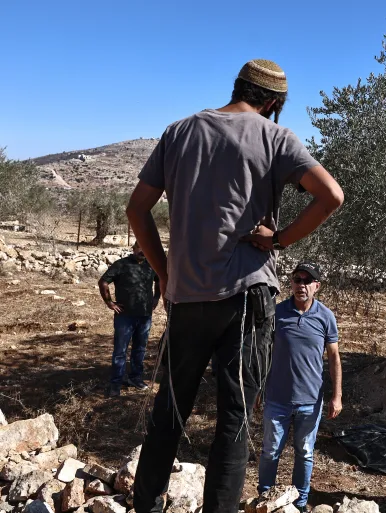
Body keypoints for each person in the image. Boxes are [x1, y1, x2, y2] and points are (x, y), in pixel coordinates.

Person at [125, 59, 344, 513]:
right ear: (271, 103)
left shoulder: (179, 132)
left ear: (238, 87)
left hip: (186, 299)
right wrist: (279, 240)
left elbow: (136, 210)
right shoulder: (275, 137)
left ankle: (144, 505)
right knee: (234, 419)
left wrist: (166, 275)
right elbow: (331, 196)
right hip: (247, 299)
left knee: (169, 410)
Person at [258, 262, 342, 512]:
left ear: (317, 286)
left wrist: (336, 396)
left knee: (304, 453)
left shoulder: (325, 317)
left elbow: (334, 358)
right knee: (270, 451)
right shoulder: (277, 312)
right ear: (291, 283)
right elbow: (263, 351)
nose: (301, 285)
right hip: (277, 398)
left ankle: (301, 503)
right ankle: (264, 498)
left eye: (307, 280)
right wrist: (258, 389)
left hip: (310, 400)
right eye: (297, 279)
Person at [98, 241, 160, 397]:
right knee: (120, 351)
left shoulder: (150, 265)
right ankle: (115, 384)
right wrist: (109, 302)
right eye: (139, 248)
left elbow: (159, 280)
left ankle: (135, 378)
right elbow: (103, 281)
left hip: (145, 315)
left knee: (140, 349)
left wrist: (156, 297)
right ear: (133, 249)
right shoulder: (122, 264)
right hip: (125, 317)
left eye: (145, 248)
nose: (142, 251)